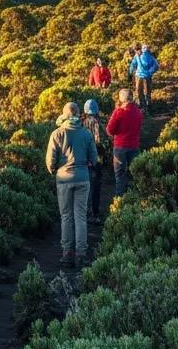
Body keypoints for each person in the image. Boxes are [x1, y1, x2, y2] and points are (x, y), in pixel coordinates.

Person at [45, 101, 98, 267]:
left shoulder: (57, 133)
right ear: (77, 114)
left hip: (63, 179)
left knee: (66, 216)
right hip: (83, 178)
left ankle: (67, 253)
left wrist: (54, 170)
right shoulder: (86, 133)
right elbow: (94, 159)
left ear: (64, 114)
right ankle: (81, 254)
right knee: (80, 217)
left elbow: (50, 160)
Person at [106, 88, 143, 196]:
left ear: (122, 98)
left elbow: (109, 130)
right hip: (134, 146)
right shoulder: (138, 112)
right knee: (135, 173)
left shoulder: (119, 112)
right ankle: (136, 197)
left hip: (120, 147)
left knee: (120, 175)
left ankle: (120, 199)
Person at [82, 99, 108, 224]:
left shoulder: (81, 122)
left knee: (85, 186)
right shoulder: (98, 123)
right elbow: (101, 141)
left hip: (83, 159)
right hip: (96, 159)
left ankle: (85, 211)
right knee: (95, 186)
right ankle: (95, 213)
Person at [129, 42, 160, 112]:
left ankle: (142, 106)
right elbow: (156, 66)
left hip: (139, 76)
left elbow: (133, 64)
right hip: (147, 77)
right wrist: (150, 72)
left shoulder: (137, 56)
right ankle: (148, 106)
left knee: (139, 91)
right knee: (147, 92)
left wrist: (131, 72)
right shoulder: (150, 57)